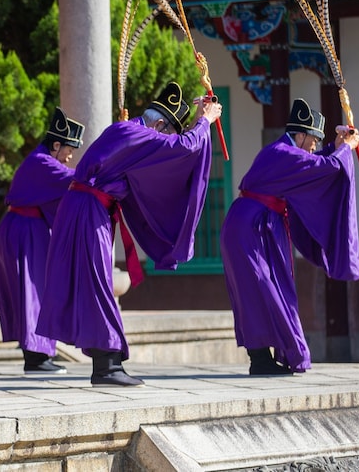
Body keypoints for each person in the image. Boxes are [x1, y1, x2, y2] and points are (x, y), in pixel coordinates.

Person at [37, 82, 222, 387]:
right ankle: (107, 366)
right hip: (87, 210)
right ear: (159, 124)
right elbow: (184, 147)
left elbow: (170, 151)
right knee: (97, 284)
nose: (165, 139)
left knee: (96, 284)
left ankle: (107, 363)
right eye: (167, 132)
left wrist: (196, 120)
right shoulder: (132, 132)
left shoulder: (132, 132)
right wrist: (205, 120)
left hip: (88, 210)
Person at [221, 98, 359, 375]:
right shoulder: (283, 153)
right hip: (248, 228)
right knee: (260, 290)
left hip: (258, 227)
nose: (314, 146)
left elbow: (313, 162)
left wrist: (337, 146)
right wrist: (345, 151)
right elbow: (322, 168)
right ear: (300, 134)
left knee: (273, 291)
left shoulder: (285, 151)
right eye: (313, 140)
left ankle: (268, 357)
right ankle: (260, 360)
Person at [0, 107, 84, 374]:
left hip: (25, 229)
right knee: (32, 293)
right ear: (56, 145)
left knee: (35, 292)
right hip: (25, 231)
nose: (69, 157)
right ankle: (35, 357)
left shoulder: (41, 160)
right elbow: (76, 178)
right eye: (68, 150)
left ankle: (39, 353)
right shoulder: (42, 162)